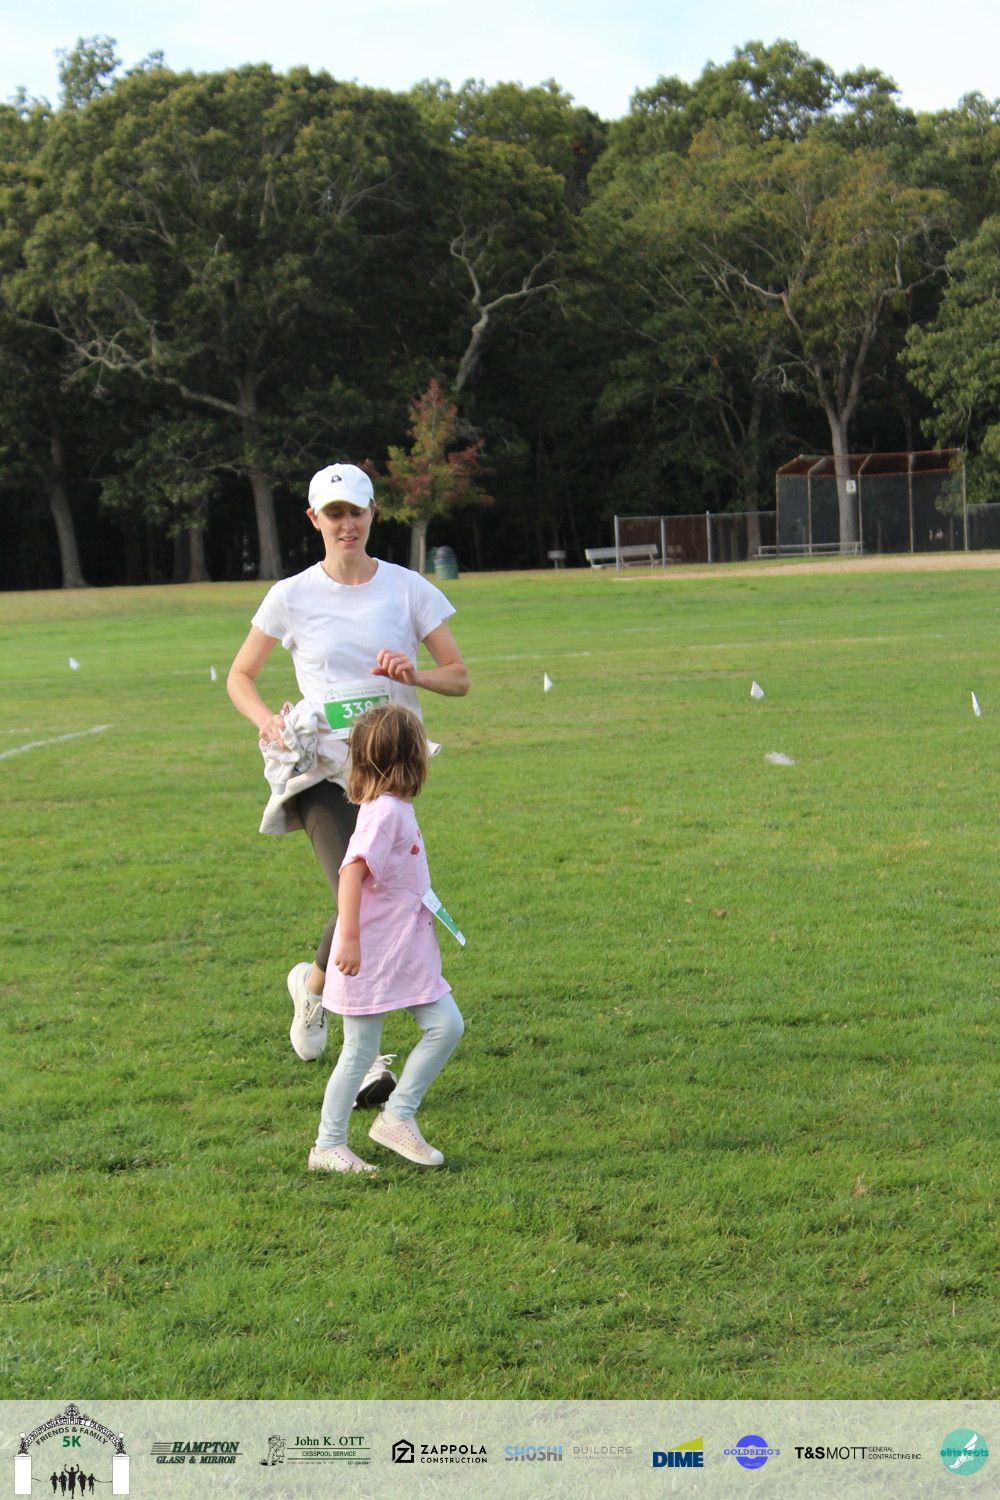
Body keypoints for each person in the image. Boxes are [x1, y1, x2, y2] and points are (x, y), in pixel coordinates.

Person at [227, 463, 469, 1077]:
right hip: (321, 772)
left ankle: (311, 986)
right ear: (315, 519)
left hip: (388, 776)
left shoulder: (408, 589)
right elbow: (240, 675)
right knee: (357, 892)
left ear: (372, 513)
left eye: (355, 511)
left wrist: (414, 674)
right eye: (333, 513)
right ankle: (366, 1063)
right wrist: (266, 720)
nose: (346, 524)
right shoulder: (291, 596)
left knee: (368, 897)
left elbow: (459, 678)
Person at [309, 703, 464, 1172]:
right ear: (411, 760)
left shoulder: (394, 806)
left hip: (403, 952)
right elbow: (351, 872)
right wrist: (349, 940)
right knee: (358, 1052)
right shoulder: (386, 813)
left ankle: (397, 1117)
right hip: (371, 956)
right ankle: (328, 1147)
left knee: (447, 1025)